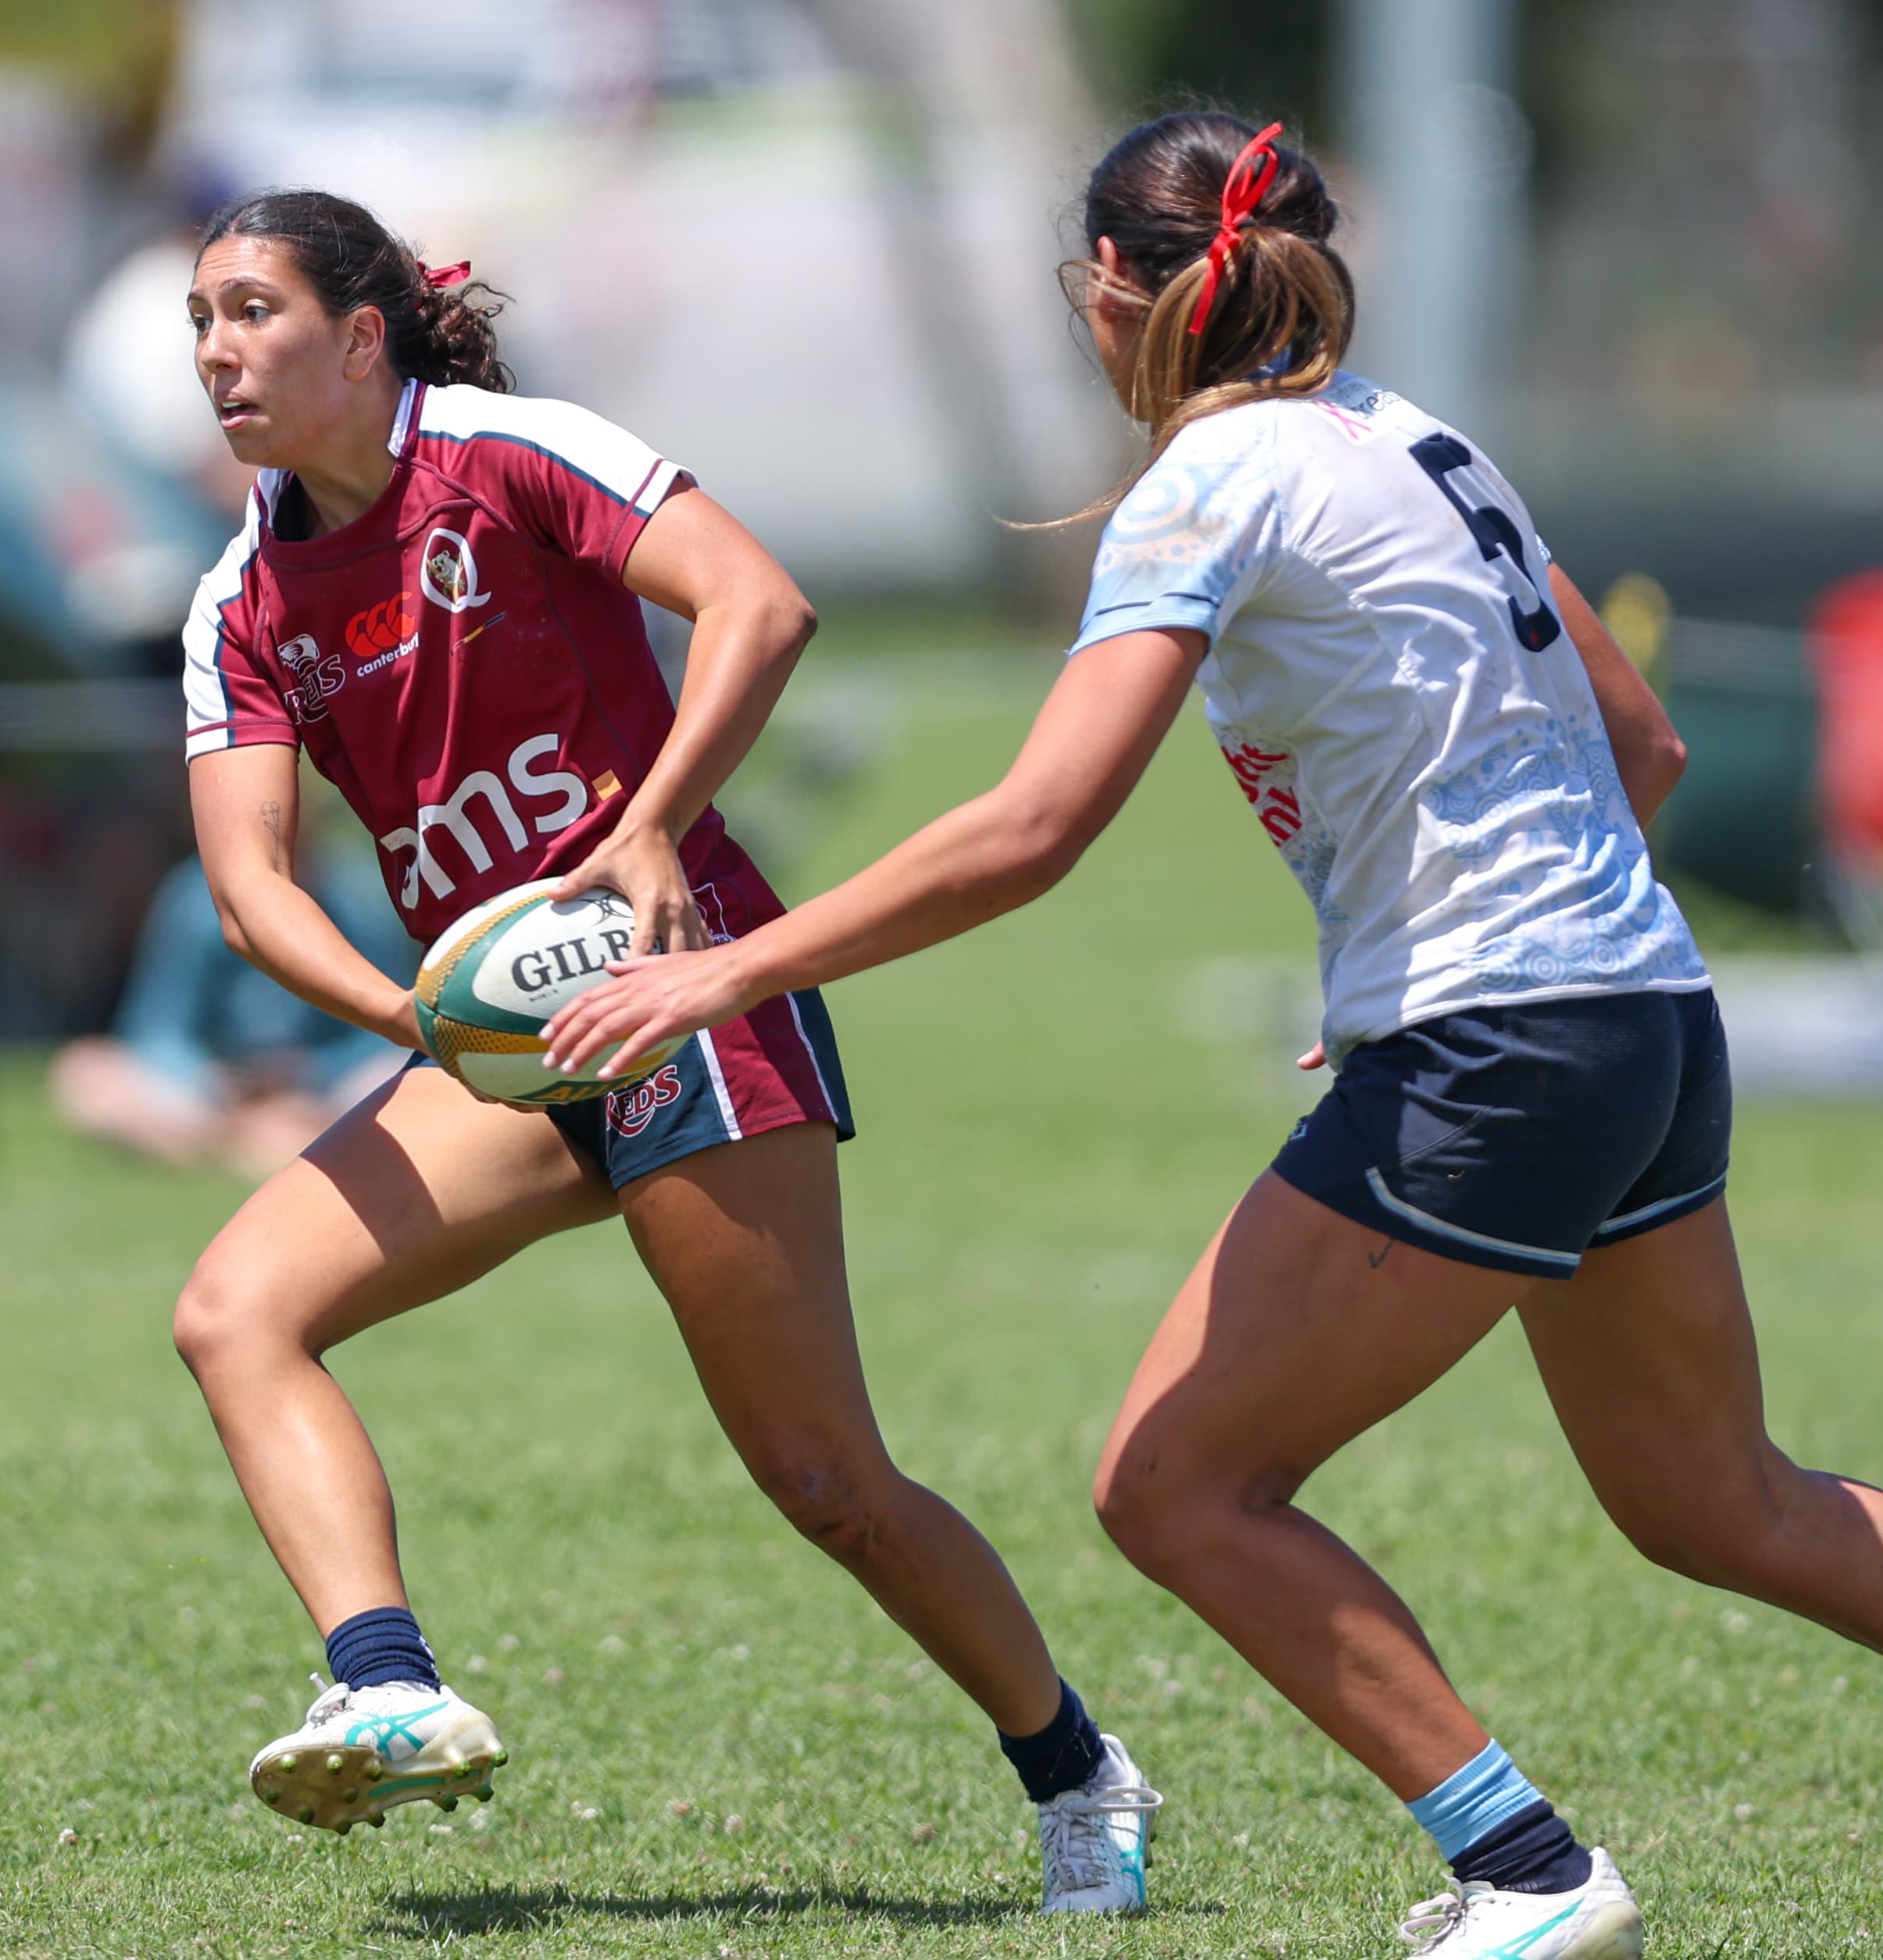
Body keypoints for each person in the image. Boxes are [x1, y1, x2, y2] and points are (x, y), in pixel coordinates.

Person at [547, 113, 1883, 1958]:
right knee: (1718, 1500)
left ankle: (1525, 1871)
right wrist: (1524, 952)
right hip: (1638, 1011)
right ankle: (1524, 1870)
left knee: (1174, 1484)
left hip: (1497, 1035)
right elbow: (1638, 740)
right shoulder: (1420, 435)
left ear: (1109, 289)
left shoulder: (1207, 477)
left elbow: (1029, 828)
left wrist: (719, 973)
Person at [170, 187, 1159, 1911]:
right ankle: (389, 1682)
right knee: (236, 1311)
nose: (215, 352)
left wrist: (652, 833)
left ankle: (1079, 1771)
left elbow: (759, 606)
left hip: (685, 988)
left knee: (824, 1481)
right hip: (498, 1041)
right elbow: (251, 890)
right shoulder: (243, 598)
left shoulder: (500, 454)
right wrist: (421, 1022)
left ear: (358, 335)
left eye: (251, 312)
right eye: (198, 320)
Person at [48, 837, 406, 1180]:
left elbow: (391, 1026)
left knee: (406, 1081)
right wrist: (213, 1082)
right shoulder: (192, 896)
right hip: (216, 1097)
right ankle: (265, 1147)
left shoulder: (357, 894)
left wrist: (312, 1072)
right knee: (85, 1073)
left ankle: (238, 1148)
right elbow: (158, 1029)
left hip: (321, 1093)